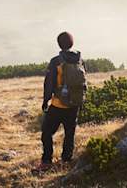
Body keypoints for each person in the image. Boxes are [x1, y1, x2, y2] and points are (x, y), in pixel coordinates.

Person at [37, 31, 87, 171]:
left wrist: (45, 101)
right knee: (69, 133)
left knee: (46, 132)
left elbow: (49, 84)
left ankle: (47, 160)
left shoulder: (56, 61)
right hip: (74, 104)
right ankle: (66, 160)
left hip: (58, 104)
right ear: (72, 43)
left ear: (59, 44)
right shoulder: (80, 59)